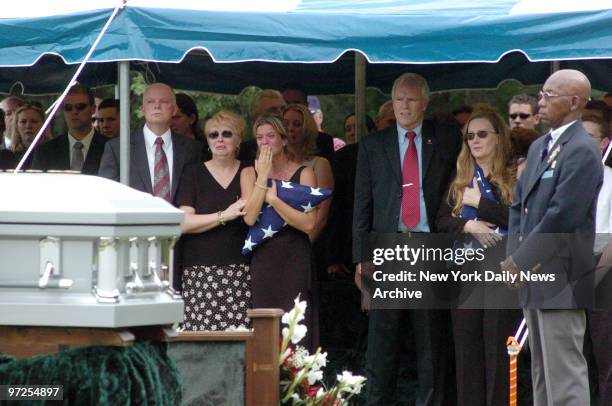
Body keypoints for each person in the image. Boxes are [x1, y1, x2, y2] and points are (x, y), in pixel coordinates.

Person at [353, 72, 460, 405]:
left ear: (425, 104)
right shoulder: (373, 144)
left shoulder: (445, 139)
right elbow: (362, 202)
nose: (404, 105)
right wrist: (360, 258)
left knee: (431, 344)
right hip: (387, 248)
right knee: (382, 342)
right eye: (399, 99)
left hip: (430, 248)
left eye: (411, 99)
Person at [503, 69, 602, 406]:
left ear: (573, 102)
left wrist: (521, 260)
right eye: (541, 94)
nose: (540, 102)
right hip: (533, 273)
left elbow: (563, 215)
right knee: (543, 372)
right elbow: (520, 205)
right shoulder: (540, 147)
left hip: (561, 274)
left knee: (565, 372)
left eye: (548, 95)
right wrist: (514, 254)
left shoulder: (582, 150)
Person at [436, 108, 520, 406]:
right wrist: (467, 224)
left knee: (498, 351)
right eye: (469, 135)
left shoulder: (515, 171)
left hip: (503, 273)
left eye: (482, 134)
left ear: (498, 138)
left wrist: (480, 204)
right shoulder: (460, 178)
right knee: (467, 352)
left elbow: (524, 218)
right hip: (466, 276)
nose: (475, 140)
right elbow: (441, 222)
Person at [241, 114, 317, 349]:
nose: (265, 142)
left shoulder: (304, 172)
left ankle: (300, 382)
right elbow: (250, 217)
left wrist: (275, 201)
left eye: (271, 136)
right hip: (264, 259)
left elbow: (308, 224)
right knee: (265, 325)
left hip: (295, 257)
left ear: (284, 140)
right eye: (259, 138)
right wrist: (262, 176)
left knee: (297, 322)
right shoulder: (249, 173)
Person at [175, 110, 251, 331]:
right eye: (213, 134)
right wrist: (224, 215)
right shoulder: (193, 173)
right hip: (199, 272)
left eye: (227, 134)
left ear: (238, 140)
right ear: (206, 141)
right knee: (201, 344)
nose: (219, 139)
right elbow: (184, 223)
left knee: (240, 344)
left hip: (240, 271)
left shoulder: (249, 171)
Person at [98, 82, 201, 203]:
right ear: (142, 109)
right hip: (133, 220)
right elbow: (106, 194)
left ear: (174, 109)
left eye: (164, 101)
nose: (157, 106)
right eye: (150, 101)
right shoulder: (117, 147)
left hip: (181, 221)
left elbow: (198, 194)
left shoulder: (193, 149)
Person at [282, 103, 334, 242]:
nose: (290, 128)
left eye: (297, 124)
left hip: (304, 245)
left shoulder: (319, 164)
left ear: (307, 129)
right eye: (285, 123)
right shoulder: (271, 163)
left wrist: (302, 249)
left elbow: (321, 217)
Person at [32, 85, 107, 174]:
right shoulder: (45, 151)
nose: (74, 112)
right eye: (68, 108)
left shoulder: (109, 147)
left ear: (93, 109)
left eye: (80, 106)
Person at [7, 104, 45, 169]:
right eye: (23, 122)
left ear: (43, 125)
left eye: (34, 121)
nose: (28, 126)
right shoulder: (6, 156)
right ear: (16, 126)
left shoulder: (52, 154)